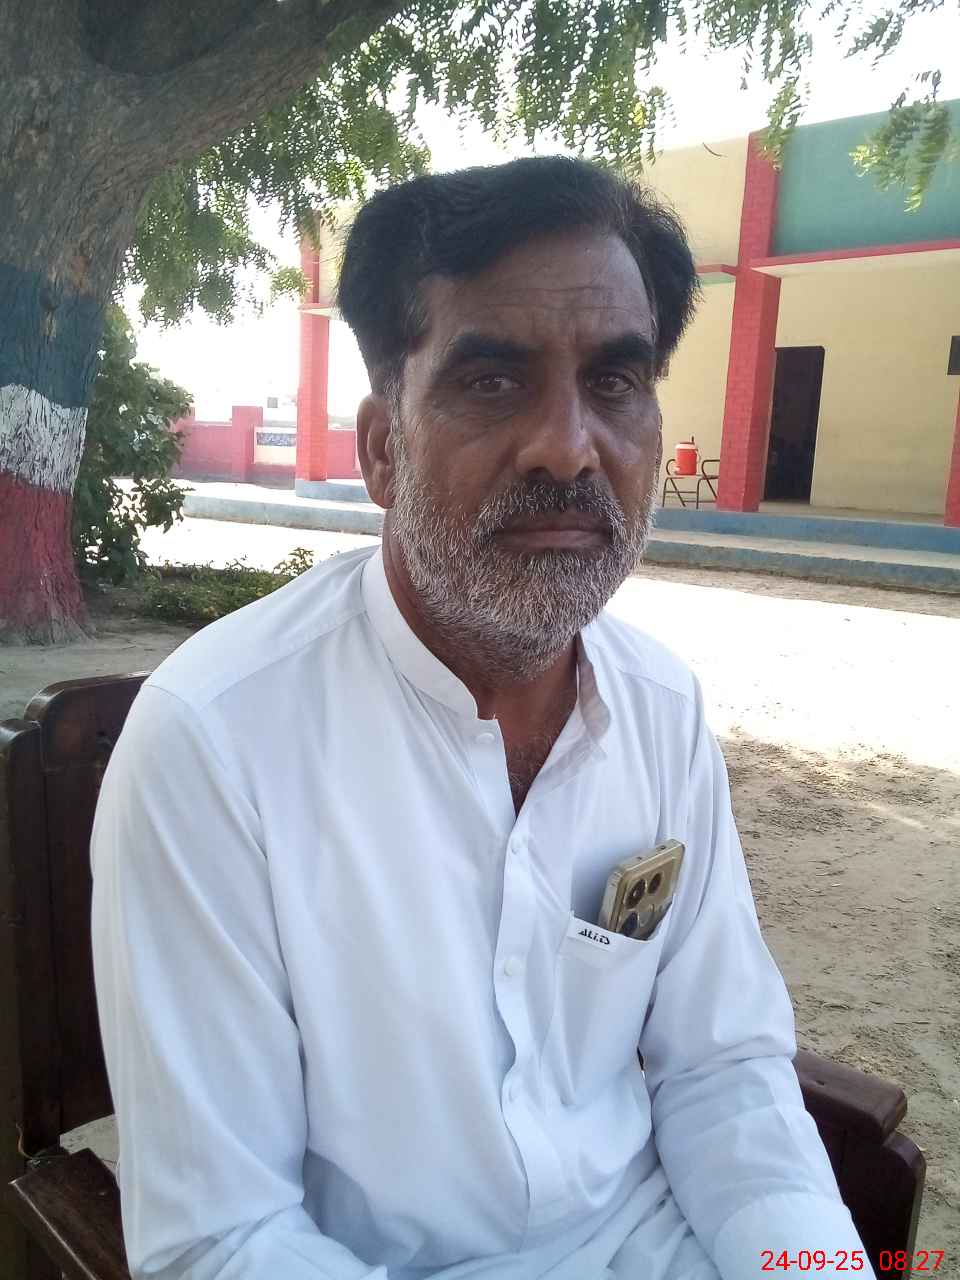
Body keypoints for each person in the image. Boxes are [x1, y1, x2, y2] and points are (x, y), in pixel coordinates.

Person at [90, 156, 875, 1280]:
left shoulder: (661, 710)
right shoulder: (215, 745)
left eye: (615, 380)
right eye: (494, 380)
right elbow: (223, 1238)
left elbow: (723, 1070)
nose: (569, 445)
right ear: (381, 447)